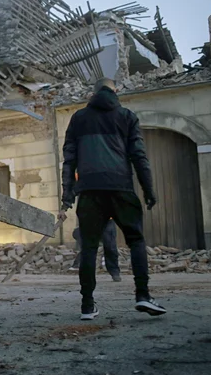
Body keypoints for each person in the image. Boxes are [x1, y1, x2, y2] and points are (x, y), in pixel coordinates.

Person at [59, 78, 166, 321]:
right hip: (121, 187)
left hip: (90, 191)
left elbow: (69, 161)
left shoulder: (78, 118)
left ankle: (87, 305)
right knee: (136, 240)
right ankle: (143, 295)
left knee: (88, 246)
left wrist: (68, 195)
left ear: (93, 93)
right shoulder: (127, 116)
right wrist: (148, 190)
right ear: (115, 92)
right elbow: (139, 156)